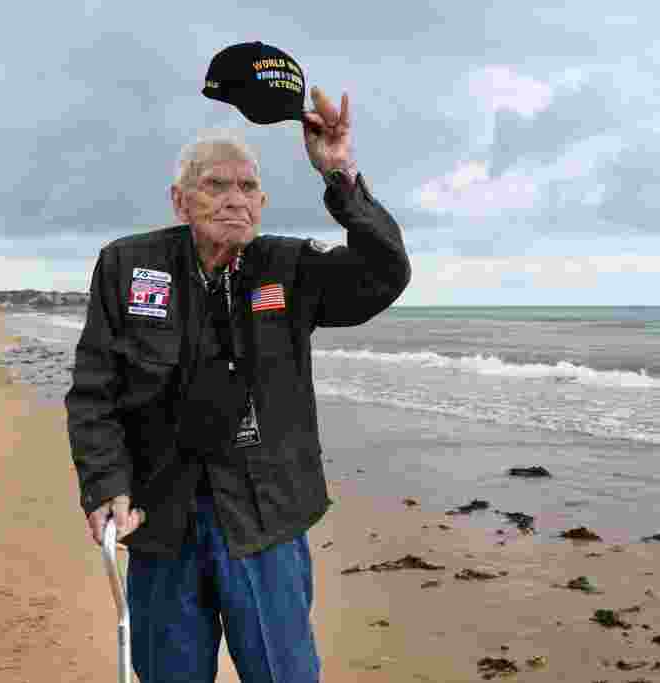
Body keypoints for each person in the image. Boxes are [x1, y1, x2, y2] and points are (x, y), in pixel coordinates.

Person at [65, 86, 410, 683]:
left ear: (264, 200)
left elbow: (385, 275)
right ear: (180, 200)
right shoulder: (127, 266)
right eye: (215, 185)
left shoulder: (291, 268)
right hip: (161, 519)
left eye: (248, 187)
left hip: (263, 520)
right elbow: (95, 391)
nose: (234, 200)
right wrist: (104, 484)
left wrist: (341, 175)